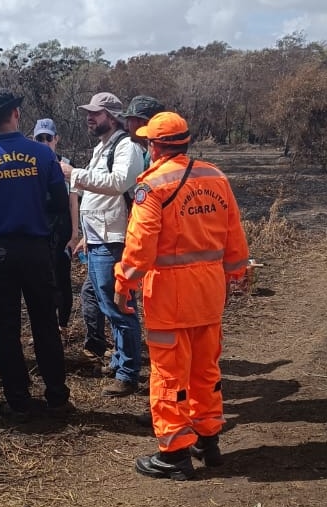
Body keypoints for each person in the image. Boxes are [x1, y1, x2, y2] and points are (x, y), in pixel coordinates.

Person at [113, 111, 251, 481]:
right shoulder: (215, 176)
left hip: (170, 295)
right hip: (209, 291)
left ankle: (174, 454)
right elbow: (234, 231)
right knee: (206, 369)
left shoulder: (153, 185)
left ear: (155, 146)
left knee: (170, 374)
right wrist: (237, 270)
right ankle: (208, 441)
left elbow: (140, 246)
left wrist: (124, 281)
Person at [0, 88, 72, 420]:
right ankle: (56, 395)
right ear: (16, 114)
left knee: (5, 328)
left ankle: (18, 399)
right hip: (37, 250)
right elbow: (58, 202)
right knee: (45, 324)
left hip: (1, 253)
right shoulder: (42, 154)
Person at [60, 92, 145, 397]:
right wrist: (85, 234)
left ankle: (129, 373)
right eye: (88, 113)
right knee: (109, 305)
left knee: (121, 307)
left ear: (112, 116)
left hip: (114, 241)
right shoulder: (102, 147)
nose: (89, 118)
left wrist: (75, 174)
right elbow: (99, 196)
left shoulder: (126, 147)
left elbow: (118, 183)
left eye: (96, 113)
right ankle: (122, 360)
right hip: (98, 239)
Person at [32, 118, 80, 333]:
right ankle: (47, 322)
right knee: (42, 278)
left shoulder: (66, 165)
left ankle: (62, 323)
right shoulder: (29, 164)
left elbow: (73, 201)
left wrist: (75, 233)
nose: (44, 142)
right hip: (39, 230)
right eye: (39, 138)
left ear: (56, 139)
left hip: (61, 228)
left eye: (48, 138)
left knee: (62, 276)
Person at [121, 95, 165, 169]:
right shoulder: (148, 153)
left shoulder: (159, 157)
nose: (126, 126)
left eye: (130, 120)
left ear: (143, 123)